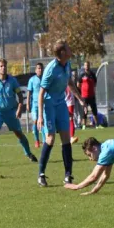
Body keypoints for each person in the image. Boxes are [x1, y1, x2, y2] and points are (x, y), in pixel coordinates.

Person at [37, 40, 84, 187]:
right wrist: (39, 116)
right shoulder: (51, 69)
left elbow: (69, 82)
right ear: (62, 52)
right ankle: (41, 174)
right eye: (68, 48)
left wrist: (80, 99)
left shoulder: (67, 64)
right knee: (50, 138)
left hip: (61, 104)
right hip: (49, 105)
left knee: (66, 138)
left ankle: (68, 175)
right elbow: (41, 93)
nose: (71, 49)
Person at [0, 58, 38, 167]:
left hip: (10, 112)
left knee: (19, 134)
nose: (3, 68)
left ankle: (28, 153)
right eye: (1, 66)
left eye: (4, 66)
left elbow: (20, 96)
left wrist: (19, 109)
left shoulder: (12, 81)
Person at [77, 61, 103, 129]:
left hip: (92, 95)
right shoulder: (82, 75)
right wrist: (83, 90)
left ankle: (97, 125)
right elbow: (78, 85)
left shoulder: (92, 74)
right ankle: (84, 125)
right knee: (84, 111)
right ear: (84, 66)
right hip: (84, 96)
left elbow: (95, 83)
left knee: (94, 110)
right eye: (85, 65)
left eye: (88, 65)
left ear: (89, 66)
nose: (87, 66)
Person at [27, 62, 45, 148]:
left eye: (41, 68)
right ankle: (37, 141)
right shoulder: (32, 80)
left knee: (43, 122)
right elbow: (29, 92)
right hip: (35, 105)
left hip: (44, 104)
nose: (40, 70)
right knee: (35, 121)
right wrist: (27, 103)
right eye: (38, 68)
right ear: (35, 70)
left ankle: (45, 141)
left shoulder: (45, 79)